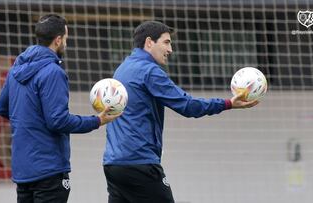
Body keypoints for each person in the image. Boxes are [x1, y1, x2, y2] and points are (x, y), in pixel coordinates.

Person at [103, 21, 259, 203]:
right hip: (139, 164)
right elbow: (187, 106)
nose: (170, 49)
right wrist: (227, 103)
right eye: (167, 42)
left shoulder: (122, 69)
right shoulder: (149, 71)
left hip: (113, 164)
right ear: (149, 42)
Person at [0, 14, 120, 203]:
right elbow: (58, 120)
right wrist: (97, 121)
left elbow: (1, 107)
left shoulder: (16, 70)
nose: (66, 43)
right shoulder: (53, 72)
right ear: (58, 39)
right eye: (66, 39)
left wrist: (28, 120)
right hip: (49, 169)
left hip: (23, 169)